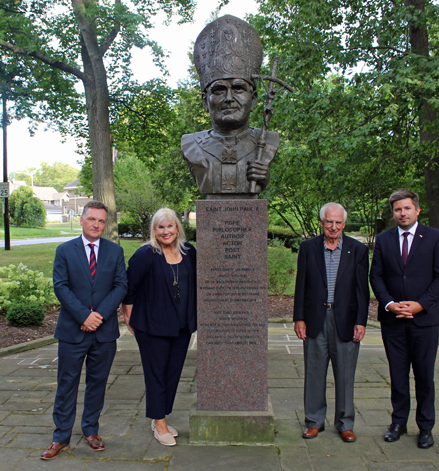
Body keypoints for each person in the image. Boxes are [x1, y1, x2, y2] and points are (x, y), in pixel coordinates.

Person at [41, 201, 127, 460]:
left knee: (97, 384)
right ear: (81, 220)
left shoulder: (115, 251)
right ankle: (60, 437)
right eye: (91, 219)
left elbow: (121, 286)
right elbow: (61, 286)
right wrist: (83, 316)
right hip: (72, 332)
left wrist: (97, 316)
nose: (96, 225)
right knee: (66, 384)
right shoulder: (65, 250)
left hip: (104, 333)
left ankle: (91, 429)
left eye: (101, 221)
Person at [370, 189, 439, 449]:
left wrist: (420, 305)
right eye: (397, 209)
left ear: (417, 209)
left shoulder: (435, 238)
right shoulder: (383, 239)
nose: (402, 213)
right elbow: (376, 277)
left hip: (423, 321)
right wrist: (390, 304)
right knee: (397, 375)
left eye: (406, 208)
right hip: (393, 321)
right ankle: (398, 422)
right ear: (392, 213)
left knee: (425, 376)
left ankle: (426, 427)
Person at [293, 203, 369, 443]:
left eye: (338, 222)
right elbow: (301, 285)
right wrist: (299, 317)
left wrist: (361, 321)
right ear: (322, 223)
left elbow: (362, 290)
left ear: (344, 224)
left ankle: (345, 423)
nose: (333, 227)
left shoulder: (357, 250)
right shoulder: (308, 248)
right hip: (316, 319)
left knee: (345, 374)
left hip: (346, 320)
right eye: (329, 222)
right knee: (314, 373)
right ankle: (314, 422)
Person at [182, 14, 279, 199]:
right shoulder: (190, 145)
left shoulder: (268, 142)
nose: (229, 98)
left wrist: (263, 178)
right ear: (205, 101)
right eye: (219, 90)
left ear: (254, 99)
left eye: (238, 88)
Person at [122, 208, 197, 447]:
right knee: (156, 374)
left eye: (170, 226)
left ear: (178, 228)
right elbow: (129, 289)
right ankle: (159, 422)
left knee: (172, 374)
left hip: (182, 326)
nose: (166, 231)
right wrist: (130, 320)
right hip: (152, 327)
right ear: (154, 230)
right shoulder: (145, 254)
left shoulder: (189, 252)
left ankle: (159, 418)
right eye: (160, 227)